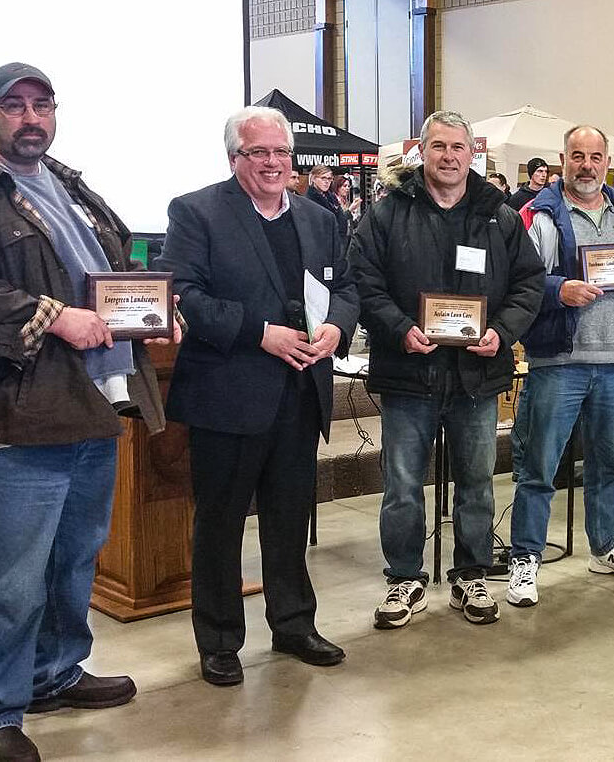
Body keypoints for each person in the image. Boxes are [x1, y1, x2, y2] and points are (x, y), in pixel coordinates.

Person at [0, 62, 179, 762]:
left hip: (89, 403)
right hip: (9, 416)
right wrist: (53, 315)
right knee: (5, 579)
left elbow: (114, 267)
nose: (31, 117)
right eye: (15, 106)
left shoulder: (66, 184)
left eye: (42, 105)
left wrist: (156, 309)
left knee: (71, 561)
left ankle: (53, 673)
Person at [158, 105, 360, 686]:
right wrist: (259, 333)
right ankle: (220, 640)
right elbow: (184, 293)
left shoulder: (319, 218)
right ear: (234, 159)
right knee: (220, 524)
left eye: (281, 152)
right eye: (259, 152)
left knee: (289, 518)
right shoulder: (196, 212)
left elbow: (345, 287)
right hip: (229, 395)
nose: (273, 163)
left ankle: (293, 624)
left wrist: (337, 327)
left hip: (301, 392)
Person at [349, 110, 544, 626]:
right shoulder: (388, 213)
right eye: (439, 146)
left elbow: (529, 283)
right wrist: (398, 328)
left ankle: (471, 575)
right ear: (422, 152)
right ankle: (404, 579)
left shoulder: (498, 216)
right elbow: (362, 280)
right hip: (408, 373)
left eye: (459, 147)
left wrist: (501, 331)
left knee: (477, 482)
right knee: (402, 485)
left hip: (476, 378)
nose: (449, 157)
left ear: (472, 154)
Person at [507, 125, 614, 606]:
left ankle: (607, 545)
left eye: (596, 157)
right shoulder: (539, 216)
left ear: (607, 163)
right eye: (578, 156)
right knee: (541, 466)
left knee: (607, 463)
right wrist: (560, 290)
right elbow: (518, 279)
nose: (587, 165)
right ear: (563, 159)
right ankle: (525, 557)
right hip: (559, 360)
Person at [306, 165, 350, 243]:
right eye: (323, 178)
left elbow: (341, 219)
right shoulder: (309, 200)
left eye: (329, 179)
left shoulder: (331, 197)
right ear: (313, 179)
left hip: (338, 240)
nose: (327, 182)